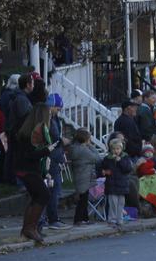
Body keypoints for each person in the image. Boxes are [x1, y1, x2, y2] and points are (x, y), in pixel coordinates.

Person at [13, 102, 56, 244]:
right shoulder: (37, 130)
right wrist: (47, 150)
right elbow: (31, 154)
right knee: (44, 195)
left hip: (23, 168)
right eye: (48, 113)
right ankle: (30, 228)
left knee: (36, 196)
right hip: (28, 169)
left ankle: (27, 229)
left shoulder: (27, 128)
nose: (50, 115)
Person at [42, 93, 69, 230]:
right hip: (50, 158)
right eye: (57, 109)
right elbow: (51, 139)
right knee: (53, 189)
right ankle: (51, 218)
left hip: (56, 156)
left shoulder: (54, 119)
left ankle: (52, 217)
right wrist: (60, 141)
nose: (58, 111)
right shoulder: (47, 120)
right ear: (51, 106)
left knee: (55, 189)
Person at [4, 74, 34, 184]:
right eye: (32, 83)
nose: (33, 86)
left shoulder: (22, 98)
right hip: (19, 134)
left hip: (17, 133)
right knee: (17, 158)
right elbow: (23, 119)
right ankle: (18, 181)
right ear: (28, 85)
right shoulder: (22, 100)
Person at [68, 129, 102, 226]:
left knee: (83, 199)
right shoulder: (83, 150)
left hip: (79, 176)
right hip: (84, 177)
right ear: (85, 139)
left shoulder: (74, 148)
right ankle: (78, 219)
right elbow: (97, 158)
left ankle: (85, 219)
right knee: (82, 200)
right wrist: (90, 145)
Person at [100, 138, 132, 228]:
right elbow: (102, 168)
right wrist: (104, 172)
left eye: (118, 149)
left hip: (122, 184)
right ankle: (112, 219)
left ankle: (120, 219)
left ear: (121, 149)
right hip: (111, 184)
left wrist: (120, 161)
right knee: (113, 202)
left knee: (121, 203)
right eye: (114, 149)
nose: (116, 151)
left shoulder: (125, 157)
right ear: (111, 149)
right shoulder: (107, 158)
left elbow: (128, 169)